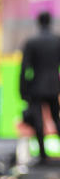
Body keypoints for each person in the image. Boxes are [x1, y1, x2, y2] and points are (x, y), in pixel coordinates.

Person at [20, 10, 60, 162]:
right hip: (53, 86)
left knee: (38, 122)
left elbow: (24, 69)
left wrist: (22, 90)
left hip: (36, 87)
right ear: (49, 22)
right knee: (56, 119)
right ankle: (44, 155)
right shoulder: (57, 40)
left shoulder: (31, 42)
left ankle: (43, 155)